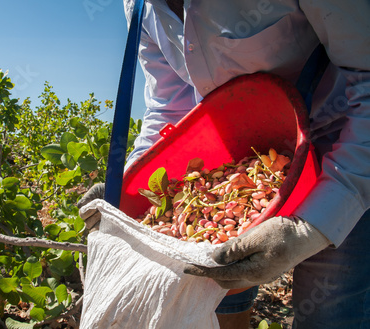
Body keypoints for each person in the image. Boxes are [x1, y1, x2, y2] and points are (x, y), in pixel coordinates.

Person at [79, 1, 370, 328]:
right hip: (238, 152)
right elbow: (169, 109)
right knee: (219, 292)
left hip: (345, 144)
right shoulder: (140, 7)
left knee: (330, 310)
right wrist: (130, 189)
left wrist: (315, 226)